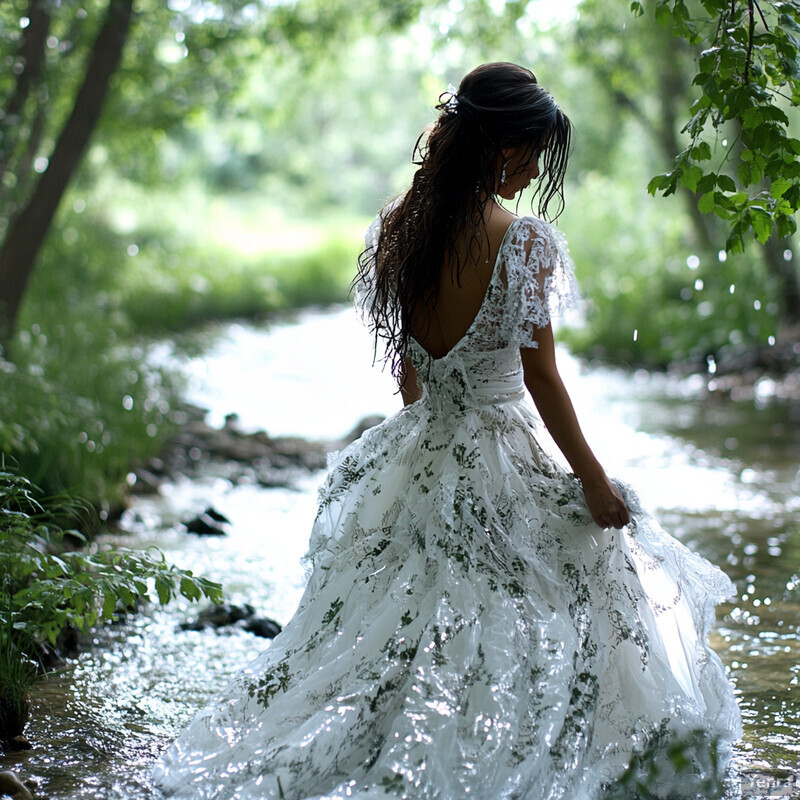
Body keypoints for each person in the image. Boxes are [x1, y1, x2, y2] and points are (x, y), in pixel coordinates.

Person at [153, 62, 741, 800]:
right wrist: (592, 477)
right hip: (499, 443)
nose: (532, 171)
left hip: (422, 442)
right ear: (501, 146)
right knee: (552, 601)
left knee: (405, 624)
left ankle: (410, 751)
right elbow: (542, 378)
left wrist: (431, 442)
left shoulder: (401, 225)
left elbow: (408, 370)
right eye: (530, 152)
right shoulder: (521, 240)